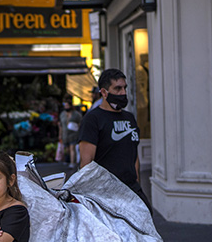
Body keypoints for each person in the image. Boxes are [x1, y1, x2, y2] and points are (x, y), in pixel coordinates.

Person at [78, 69, 147, 206]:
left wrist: (136, 181)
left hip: (131, 189)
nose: (123, 93)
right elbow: (86, 163)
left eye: (124, 88)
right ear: (104, 92)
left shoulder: (130, 118)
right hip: (106, 192)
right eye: (117, 88)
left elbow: (134, 153)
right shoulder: (92, 119)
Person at [58, 96, 83, 169]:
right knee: (67, 149)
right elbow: (60, 125)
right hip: (65, 134)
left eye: (67, 105)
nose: (66, 107)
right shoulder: (62, 114)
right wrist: (60, 134)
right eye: (65, 105)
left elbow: (80, 123)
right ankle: (70, 160)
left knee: (72, 148)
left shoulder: (76, 114)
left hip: (73, 134)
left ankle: (73, 162)